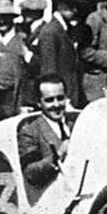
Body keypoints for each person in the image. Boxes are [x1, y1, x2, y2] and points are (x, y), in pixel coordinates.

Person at [17, 75, 72, 204]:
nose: (56, 105)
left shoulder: (76, 124)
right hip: (52, 202)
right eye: (49, 100)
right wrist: (58, 155)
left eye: (60, 98)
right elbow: (30, 173)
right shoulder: (30, 131)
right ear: (39, 102)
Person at [0, 0, 29, 121]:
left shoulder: (21, 40)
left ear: (12, 18)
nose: (1, 21)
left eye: (5, 17)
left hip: (13, 99)